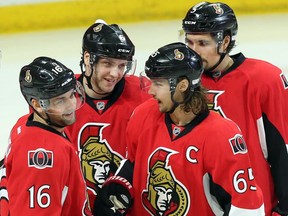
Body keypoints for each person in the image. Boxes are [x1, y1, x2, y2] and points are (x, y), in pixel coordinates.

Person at [93, 42, 265, 215]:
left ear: (182, 86)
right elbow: (134, 162)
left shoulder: (221, 135)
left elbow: (245, 206)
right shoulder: (142, 115)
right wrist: (117, 184)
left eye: (158, 84)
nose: (151, 91)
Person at [181, 2, 288, 215]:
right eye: (189, 42)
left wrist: (284, 209)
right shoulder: (183, 82)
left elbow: (282, 151)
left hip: (252, 205)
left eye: (202, 43)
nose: (193, 52)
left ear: (225, 42)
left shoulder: (264, 79)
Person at [65, 20, 151, 212]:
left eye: (122, 65)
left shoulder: (144, 94)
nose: (115, 73)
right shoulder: (61, 98)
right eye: (107, 63)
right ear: (88, 58)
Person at [0, 57, 92, 215]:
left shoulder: (23, 124)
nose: (71, 105)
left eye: (71, 95)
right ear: (36, 105)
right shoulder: (46, 156)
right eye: (60, 101)